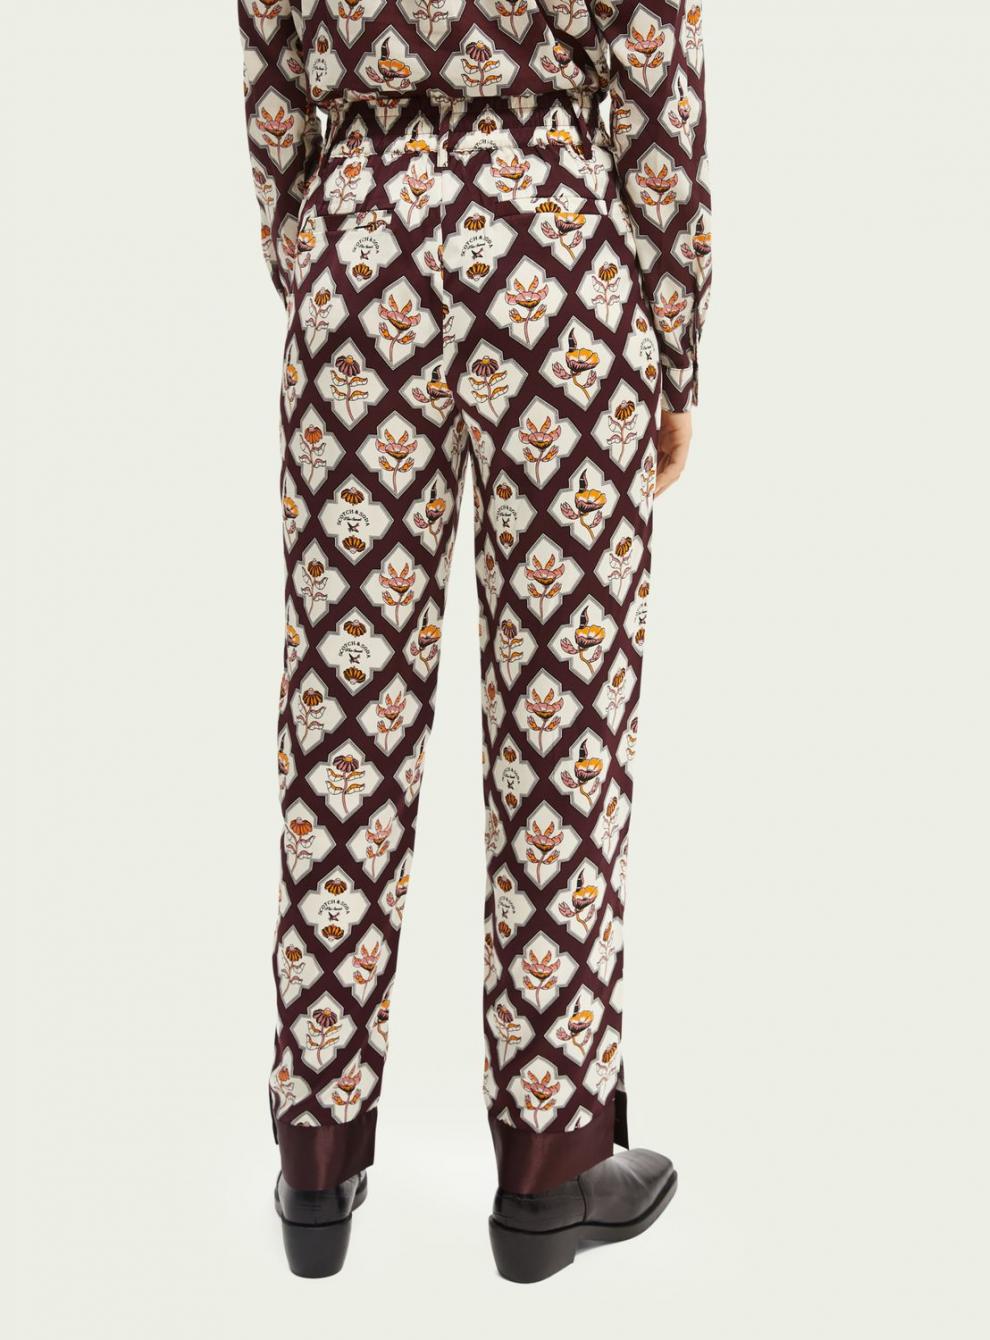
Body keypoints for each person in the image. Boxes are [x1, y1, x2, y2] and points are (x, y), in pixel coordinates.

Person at [237, 0, 711, 1283]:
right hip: (554, 251)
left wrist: (326, 251)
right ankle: (550, 1173)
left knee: (341, 722)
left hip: (360, 245)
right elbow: (655, 72)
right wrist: (675, 344)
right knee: (565, 721)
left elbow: (274, 79)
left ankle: (316, 1162)